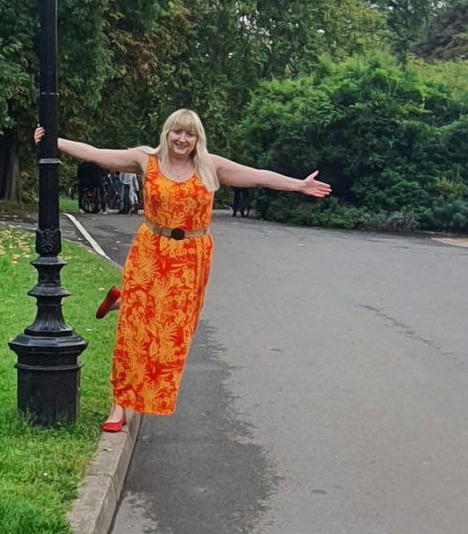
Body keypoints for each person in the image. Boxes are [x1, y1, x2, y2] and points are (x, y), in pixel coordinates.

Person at [34, 108, 330, 432]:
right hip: (151, 248)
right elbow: (96, 154)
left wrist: (299, 185)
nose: (182, 139)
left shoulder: (209, 166)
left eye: (190, 134)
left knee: (170, 335)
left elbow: (258, 175)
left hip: (191, 256)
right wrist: (54, 141)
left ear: (197, 138)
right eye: (177, 132)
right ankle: (120, 404)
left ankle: (124, 299)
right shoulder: (146, 159)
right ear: (167, 132)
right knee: (135, 331)